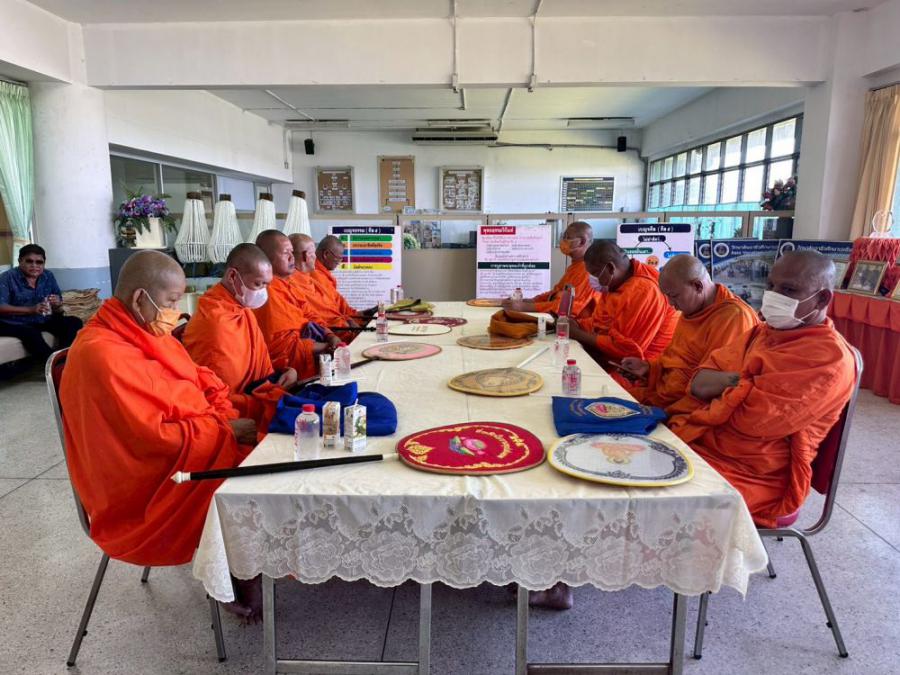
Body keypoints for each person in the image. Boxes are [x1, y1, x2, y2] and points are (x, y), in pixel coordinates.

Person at [59, 250, 261, 617]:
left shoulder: (149, 331)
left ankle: (247, 565)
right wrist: (222, 431)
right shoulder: (100, 354)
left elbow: (201, 381)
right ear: (140, 298)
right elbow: (150, 438)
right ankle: (235, 574)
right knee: (255, 478)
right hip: (145, 483)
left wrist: (222, 418)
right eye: (170, 302)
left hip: (193, 442)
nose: (175, 312)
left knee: (268, 448)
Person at [669, 251, 856, 527]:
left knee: (654, 500)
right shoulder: (761, 333)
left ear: (822, 299)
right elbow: (697, 384)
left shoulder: (829, 358)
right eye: (771, 285)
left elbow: (752, 421)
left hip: (756, 474)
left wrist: (725, 383)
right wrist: (747, 382)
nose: (773, 295)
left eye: (788, 289)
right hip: (706, 442)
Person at [616, 255, 758, 416]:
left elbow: (713, 386)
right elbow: (677, 359)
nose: (670, 303)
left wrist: (667, 413)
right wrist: (649, 368)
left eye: (674, 296)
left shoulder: (732, 317)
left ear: (697, 286)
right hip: (663, 394)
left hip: (685, 406)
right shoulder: (693, 308)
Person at [182, 243, 297, 433]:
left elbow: (258, 367)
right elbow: (218, 395)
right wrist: (268, 396)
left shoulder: (241, 308)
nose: (263, 291)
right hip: (236, 417)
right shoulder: (215, 323)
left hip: (256, 398)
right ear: (232, 276)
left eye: (266, 284)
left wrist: (285, 372)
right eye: (258, 284)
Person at [569, 242, 678, 367]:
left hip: (641, 368)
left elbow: (627, 350)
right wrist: (577, 324)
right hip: (611, 358)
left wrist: (578, 334)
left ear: (611, 268)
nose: (591, 279)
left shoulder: (643, 291)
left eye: (594, 273)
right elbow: (600, 323)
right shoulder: (615, 283)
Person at [254, 230, 339, 379]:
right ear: (266, 258)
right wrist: (328, 346)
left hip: (313, 357)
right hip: (289, 374)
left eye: (292, 252)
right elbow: (284, 348)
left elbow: (311, 315)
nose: (292, 257)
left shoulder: (289, 285)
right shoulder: (268, 293)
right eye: (286, 253)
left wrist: (329, 335)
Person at [503, 221, 598, 323]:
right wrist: (531, 301)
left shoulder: (587, 270)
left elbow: (569, 307)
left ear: (582, 242)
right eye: (564, 237)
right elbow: (555, 292)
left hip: (578, 327)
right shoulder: (575, 266)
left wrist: (525, 307)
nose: (563, 241)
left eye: (567, 237)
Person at [0, 244, 82, 359]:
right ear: (20, 261)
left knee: (74, 322)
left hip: (41, 319)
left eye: (39, 262)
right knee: (31, 334)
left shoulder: (47, 275)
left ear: (44, 263)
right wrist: (31, 309)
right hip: (13, 322)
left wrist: (56, 303)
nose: (34, 266)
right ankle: (52, 363)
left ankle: (64, 357)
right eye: (29, 261)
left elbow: (58, 301)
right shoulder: (7, 277)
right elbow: (1, 306)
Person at [313, 235, 375, 324]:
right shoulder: (315, 276)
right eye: (338, 258)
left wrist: (362, 315)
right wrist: (351, 322)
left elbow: (341, 306)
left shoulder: (324, 276)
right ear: (326, 254)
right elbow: (328, 315)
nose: (340, 262)